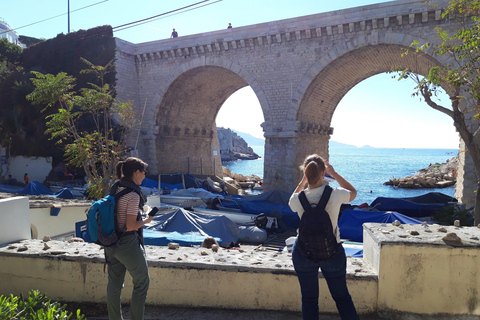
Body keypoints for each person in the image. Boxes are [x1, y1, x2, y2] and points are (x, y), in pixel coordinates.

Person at [289, 154, 359, 320]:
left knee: (309, 300)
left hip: (303, 254)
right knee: (342, 297)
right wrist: (334, 173)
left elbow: (291, 200)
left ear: (306, 174)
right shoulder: (335, 194)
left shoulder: (297, 199)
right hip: (332, 253)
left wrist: (303, 182)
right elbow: (353, 192)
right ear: (323, 173)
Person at [105, 157, 154, 320]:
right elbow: (131, 225)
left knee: (114, 285)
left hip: (111, 241)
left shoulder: (116, 188)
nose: (145, 176)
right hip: (126, 243)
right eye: (144, 172)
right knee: (142, 283)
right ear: (137, 172)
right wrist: (147, 220)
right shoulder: (133, 195)